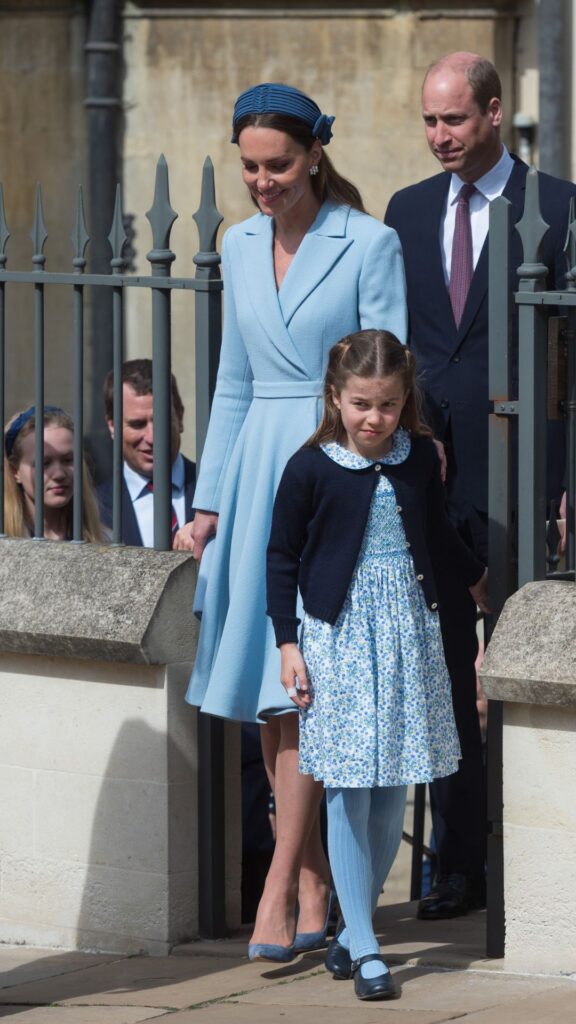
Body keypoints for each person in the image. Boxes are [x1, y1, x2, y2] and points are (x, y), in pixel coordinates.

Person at [175, 82, 407, 960]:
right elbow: (233, 383)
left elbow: (384, 384)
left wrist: (364, 485)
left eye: (277, 164)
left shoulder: (370, 242)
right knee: (273, 703)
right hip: (249, 476)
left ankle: (279, 885)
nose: (262, 182)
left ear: (315, 154)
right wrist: (208, 507)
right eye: (249, 167)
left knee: (307, 690)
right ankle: (312, 883)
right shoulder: (235, 244)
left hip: (329, 472)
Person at [384, 52, 576, 919]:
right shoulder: (408, 210)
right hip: (437, 474)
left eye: (453, 120)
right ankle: (460, 861)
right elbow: (404, 345)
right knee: (445, 671)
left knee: (525, 665)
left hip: (528, 471)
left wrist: (569, 480)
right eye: (429, 120)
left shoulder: (561, 207)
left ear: (495, 113)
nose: (438, 137)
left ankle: (535, 854)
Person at [266, 330, 488, 1000]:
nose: (373, 417)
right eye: (361, 403)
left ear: (404, 401)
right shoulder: (310, 468)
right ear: (336, 398)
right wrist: (287, 642)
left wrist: (480, 581)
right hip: (338, 640)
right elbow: (281, 557)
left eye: (387, 405)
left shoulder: (418, 457)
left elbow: (437, 535)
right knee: (348, 788)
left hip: (407, 636)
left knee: (395, 788)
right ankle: (365, 946)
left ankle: (350, 927)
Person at [98, 359, 195, 547]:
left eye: (161, 420)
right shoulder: (93, 508)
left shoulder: (218, 491)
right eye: (137, 424)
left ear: (180, 416)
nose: (152, 438)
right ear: (112, 426)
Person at [3, 405, 104, 542]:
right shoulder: (5, 539)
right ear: (15, 471)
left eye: (68, 460)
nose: (59, 474)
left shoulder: (104, 539)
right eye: (44, 463)